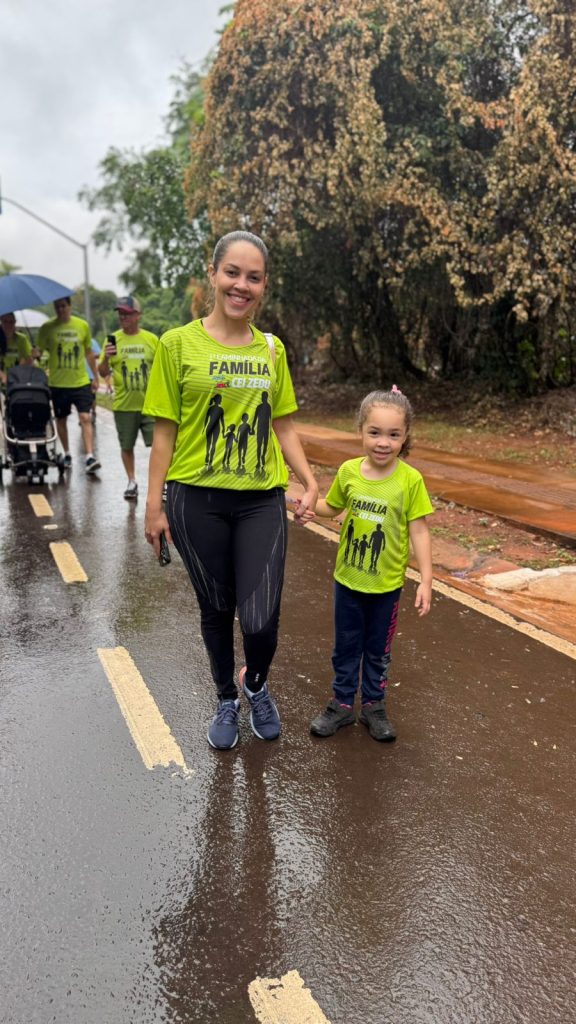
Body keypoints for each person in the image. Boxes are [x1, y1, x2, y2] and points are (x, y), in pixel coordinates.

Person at [143, 230, 318, 750]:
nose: (242, 285)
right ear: (213, 276)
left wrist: (308, 480)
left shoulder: (271, 349)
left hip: (261, 499)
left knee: (261, 620)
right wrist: (154, 508)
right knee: (216, 609)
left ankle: (255, 683)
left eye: (254, 277)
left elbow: (284, 422)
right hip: (195, 500)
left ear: (264, 286)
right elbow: (164, 435)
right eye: (233, 273)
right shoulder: (177, 345)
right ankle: (224, 696)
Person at [308, 386, 433, 742]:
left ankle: (374, 706)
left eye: (393, 434)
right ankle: (342, 705)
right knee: (346, 647)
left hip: (387, 588)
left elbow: (419, 531)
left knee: (378, 651)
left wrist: (426, 579)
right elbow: (330, 509)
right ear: (361, 430)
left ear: (405, 436)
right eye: (375, 432)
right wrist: (301, 503)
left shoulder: (410, 480)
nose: (383, 442)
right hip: (347, 581)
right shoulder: (349, 472)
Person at [98, 297, 158, 500]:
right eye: (120, 313)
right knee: (126, 446)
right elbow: (103, 371)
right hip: (124, 405)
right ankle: (132, 481)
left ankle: (161, 482)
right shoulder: (112, 340)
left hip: (150, 405)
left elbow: (161, 369)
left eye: (127, 313)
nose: (123, 317)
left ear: (138, 315)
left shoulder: (151, 340)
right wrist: (106, 356)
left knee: (158, 445)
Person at [36, 297, 100, 473]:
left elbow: (88, 353)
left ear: (70, 307)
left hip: (80, 381)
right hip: (58, 383)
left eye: (63, 306)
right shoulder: (47, 328)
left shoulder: (82, 326)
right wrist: (35, 353)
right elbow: (39, 352)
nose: (61, 310)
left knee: (85, 418)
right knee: (61, 420)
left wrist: (95, 376)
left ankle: (89, 456)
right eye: (57, 307)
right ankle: (67, 453)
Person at [0, 312, 32, 386]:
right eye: (5, 321)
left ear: (15, 323)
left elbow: (29, 360)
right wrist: (3, 376)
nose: (8, 325)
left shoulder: (22, 339)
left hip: (16, 383)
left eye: (11, 322)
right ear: (1, 321)